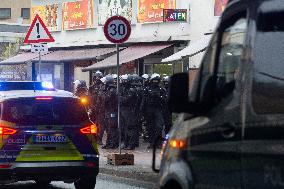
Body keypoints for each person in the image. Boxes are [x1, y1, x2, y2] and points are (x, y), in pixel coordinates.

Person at [141, 73, 165, 149]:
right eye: (154, 80)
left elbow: (164, 101)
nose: (155, 82)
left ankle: (158, 142)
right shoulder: (147, 89)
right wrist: (142, 111)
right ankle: (152, 142)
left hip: (158, 109)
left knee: (159, 126)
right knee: (150, 127)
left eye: (156, 80)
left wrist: (159, 97)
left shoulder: (161, 90)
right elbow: (143, 101)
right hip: (149, 110)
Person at [120, 75, 139, 150]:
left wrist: (120, 97)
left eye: (124, 80)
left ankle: (131, 145)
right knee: (125, 128)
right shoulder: (125, 89)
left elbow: (125, 100)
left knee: (130, 128)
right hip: (125, 111)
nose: (123, 82)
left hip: (130, 111)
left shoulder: (131, 90)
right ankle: (126, 143)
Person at [102, 75, 119, 149]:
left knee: (112, 128)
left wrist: (103, 92)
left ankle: (113, 143)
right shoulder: (109, 89)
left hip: (112, 111)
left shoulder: (112, 90)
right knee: (108, 128)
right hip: (108, 111)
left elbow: (105, 99)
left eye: (105, 82)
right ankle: (108, 143)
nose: (103, 84)